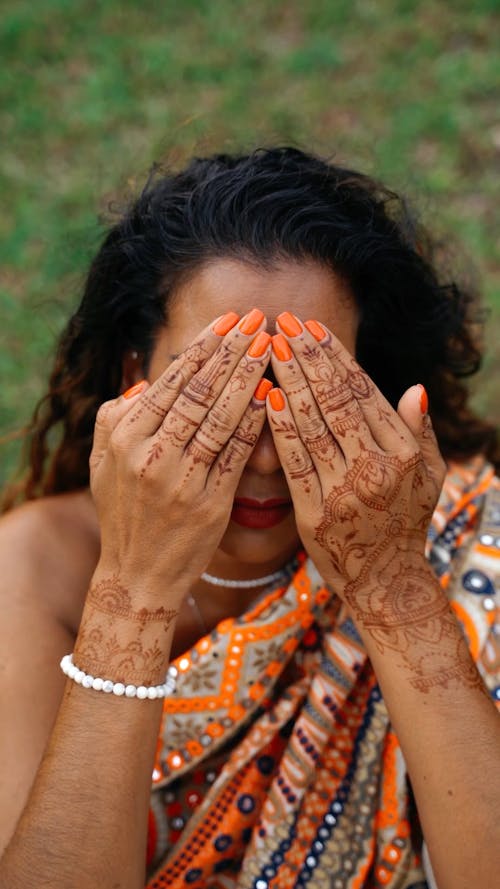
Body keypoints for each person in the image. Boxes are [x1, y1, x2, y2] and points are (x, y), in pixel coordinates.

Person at [0, 147, 498, 889]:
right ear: (136, 380)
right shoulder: (34, 565)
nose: (266, 455)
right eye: (220, 391)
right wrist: (132, 593)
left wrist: (393, 586)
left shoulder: (467, 537)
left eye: (311, 391)